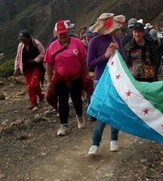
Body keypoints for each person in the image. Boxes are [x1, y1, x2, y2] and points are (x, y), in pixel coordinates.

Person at [87, 13, 126, 155]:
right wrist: (105, 56)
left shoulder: (117, 39)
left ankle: (114, 139)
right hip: (100, 80)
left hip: (116, 79)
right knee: (101, 111)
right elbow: (90, 64)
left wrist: (118, 51)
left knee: (115, 110)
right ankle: (95, 143)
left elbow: (124, 60)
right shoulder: (94, 42)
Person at [44, 20, 88, 136]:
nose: (63, 35)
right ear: (56, 34)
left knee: (77, 99)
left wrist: (85, 76)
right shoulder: (52, 47)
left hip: (76, 78)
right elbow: (49, 64)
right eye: (60, 34)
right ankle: (63, 124)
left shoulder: (77, 43)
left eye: (64, 33)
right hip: (61, 79)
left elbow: (83, 61)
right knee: (62, 101)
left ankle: (80, 116)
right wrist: (49, 81)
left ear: (68, 31)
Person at [14, 30, 45, 111]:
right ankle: (34, 102)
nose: (22, 41)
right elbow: (18, 57)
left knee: (33, 84)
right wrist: (16, 68)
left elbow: (43, 53)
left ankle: (40, 95)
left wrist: (35, 60)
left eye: (23, 39)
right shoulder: (20, 46)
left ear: (28, 38)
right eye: (21, 39)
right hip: (26, 68)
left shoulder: (36, 43)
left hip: (36, 67)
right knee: (29, 86)